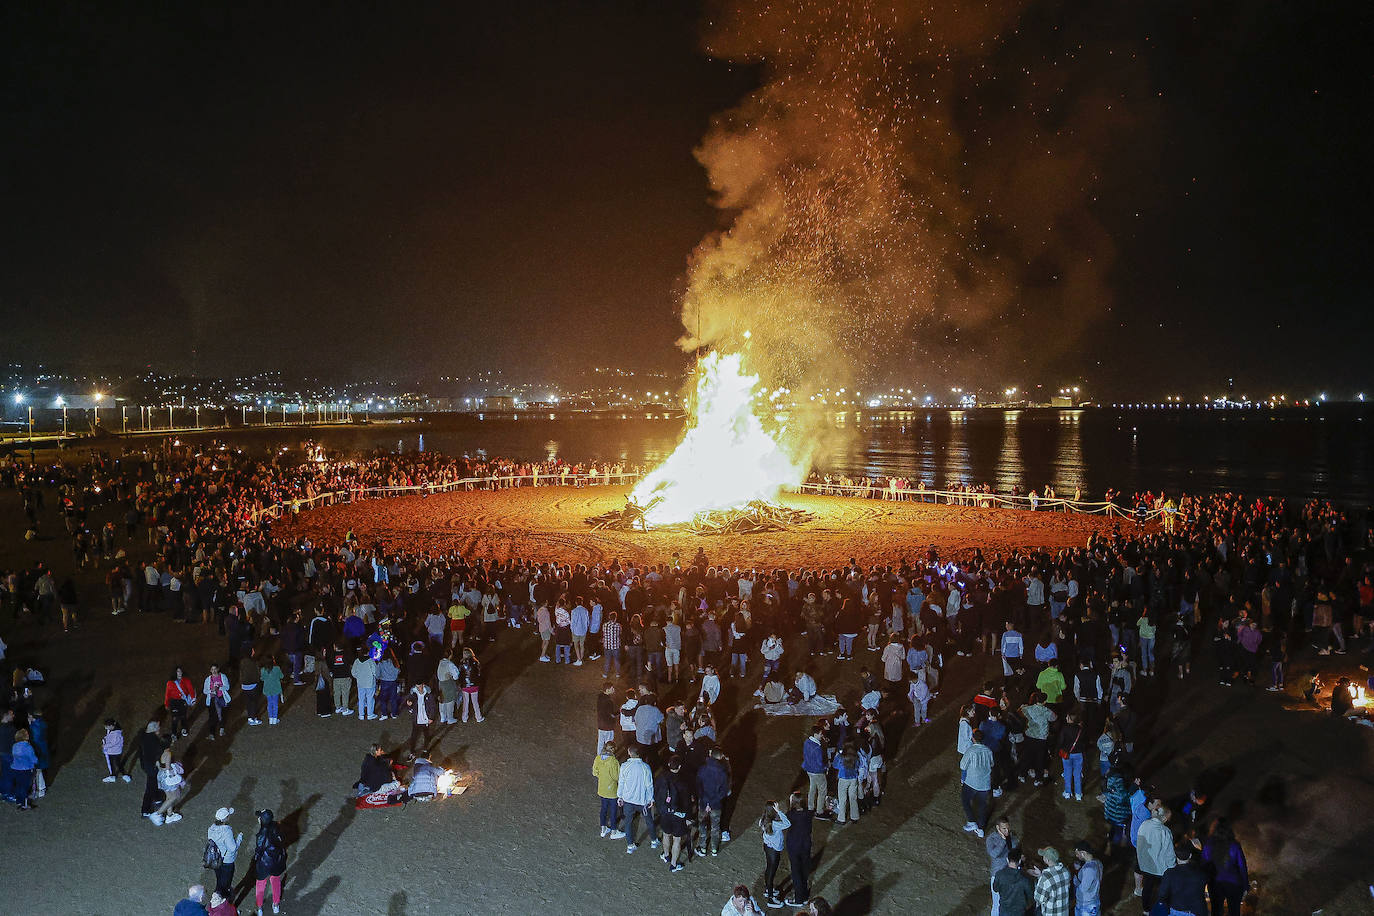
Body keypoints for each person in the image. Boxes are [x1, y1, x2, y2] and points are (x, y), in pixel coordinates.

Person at [1137, 799, 1177, 913]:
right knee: (1161, 890)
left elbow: (1140, 844)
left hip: (1145, 865)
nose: (1167, 820)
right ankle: (1161, 910)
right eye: (1167, 818)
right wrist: (1172, 867)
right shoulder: (1165, 832)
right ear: (1163, 817)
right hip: (1160, 869)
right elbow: (1169, 853)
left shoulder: (1144, 824)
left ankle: (1146, 909)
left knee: (1147, 887)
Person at [1201, 819, 1248, 916]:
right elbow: (1242, 866)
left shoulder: (1209, 844)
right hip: (1233, 883)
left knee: (1216, 911)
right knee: (1234, 911)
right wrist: (1245, 885)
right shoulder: (1235, 845)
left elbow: (1204, 864)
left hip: (1215, 882)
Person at [655, 755, 694, 872]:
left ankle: (666, 855)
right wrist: (688, 817)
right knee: (677, 840)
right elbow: (687, 802)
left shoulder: (661, 777)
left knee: (666, 835)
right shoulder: (683, 782)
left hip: (665, 813)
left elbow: (656, 792)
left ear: (668, 765)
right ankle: (673, 864)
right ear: (680, 766)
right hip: (678, 815)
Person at [617, 744, 655, 853]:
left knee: (628, 822)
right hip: (642, 801)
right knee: (649, 820)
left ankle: (630, 845)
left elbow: (621, 783)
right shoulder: (645, 767)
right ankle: (653, 841)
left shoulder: (624, 766)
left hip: (628, 800)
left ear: (629, 753)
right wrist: (650, 798)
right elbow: (649, 785)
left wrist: (620, 796)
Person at [252, 808, 288, 916]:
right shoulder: (277, 827)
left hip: (264, 863)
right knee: (276, 882)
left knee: (260, 884)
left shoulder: (262, 834)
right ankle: (276, 905)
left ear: (262, 820)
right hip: (276, 861)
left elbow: (258, 850)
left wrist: (256, 858)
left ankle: (259, 908)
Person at [1156, 843, 1209, 916]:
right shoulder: (1200, 873)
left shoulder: (1170, 874)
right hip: (1197, 911)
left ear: (1176, 856)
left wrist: (1161, 902)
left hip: (1177, 910)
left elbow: (1162, 894)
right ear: (1190, 855)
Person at [697, 747, 731, 857]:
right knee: (715, 827)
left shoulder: (703, 769)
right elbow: (724, 791)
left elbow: (699, 787)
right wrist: (712, 802)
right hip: (716, 805)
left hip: (703, 804)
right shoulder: (722, 772)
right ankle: (714, 849)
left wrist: (706, 803)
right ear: (720, 756)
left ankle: (702, 848)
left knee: (702, 825)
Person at [960, 729, 994, 837]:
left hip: (972, 782)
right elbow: (992, 764)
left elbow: (963, 765)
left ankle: (971, 821)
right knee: (982, 806)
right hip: (984, 783)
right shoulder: (988, 751)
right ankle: (981, 829)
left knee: (965, 801)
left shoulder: (970, 751)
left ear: (973, 738)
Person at [783, 791, 814, 907]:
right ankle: (804, 894)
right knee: (804, 869)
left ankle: (799, 899)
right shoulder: (808, 813)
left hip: (794, 845)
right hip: (805, 844)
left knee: (796, 871)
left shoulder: (790, 814)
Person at [759, 799, 791, 906]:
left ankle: (768, 889)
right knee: (772, 872)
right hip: (774, 850)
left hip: (767, 847)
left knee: (769, 869)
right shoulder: (775, 824)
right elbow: (787, 823)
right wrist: (780, 812)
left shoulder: (763, 819)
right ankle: (771, 899)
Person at [207, 806, 243, 899]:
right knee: (226, 884)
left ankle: (218, 894)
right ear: (226, 818)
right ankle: (222, 902)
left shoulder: (211, 828)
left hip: (216, 858)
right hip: (227, 860)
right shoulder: (227, 831)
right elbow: (232, 848)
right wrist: (239, 838)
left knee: (219, 879)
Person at [986, 818, 1017, 915]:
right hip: (998, 875)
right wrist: (1003, 841)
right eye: (1004, 829)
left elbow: (1015, 851)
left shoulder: (1012, 836)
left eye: (1008, 828)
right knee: (997, 903)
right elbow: (994, 854)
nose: (1007, 831)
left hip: (1011, 873)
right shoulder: (991, 839)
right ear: (998, 828)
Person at [992, 851, 1035, 916]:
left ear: (1007, 859)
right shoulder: (1025, 878)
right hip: (1019, 911)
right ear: (1020, 861)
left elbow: (995, 889)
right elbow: (1030, 896)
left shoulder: (999, 874)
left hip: (1004, 909)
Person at [1032, 846, 1072, 916]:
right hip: (1064, 912)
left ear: (1047, 860)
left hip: (1052, 913)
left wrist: (1039, 878)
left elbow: (1039, 898)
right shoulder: (1065, 871)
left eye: (1043, 856)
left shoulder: (1045, 877)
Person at [139, 720, 167, 816]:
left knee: (153, 783)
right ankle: (145, 810)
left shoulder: (144, 737)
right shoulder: (153, 739)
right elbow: (157, 752)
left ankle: (157, 798)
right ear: (154, 729)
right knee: (150, 787)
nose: (159, 729)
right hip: (152, 766)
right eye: (158, 727)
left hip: (146, 764)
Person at [151, 747, 186, 824]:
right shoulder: (168, 754)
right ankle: (158, 813)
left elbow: (158, 765)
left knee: (169, 797)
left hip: (161, 776)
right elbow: (168, 768)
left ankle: (169, 815)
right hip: (169, 777)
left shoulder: (158, 752)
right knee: (174, 797)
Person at [593, 741, 621, 837]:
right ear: (612, 749)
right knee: (613, 810)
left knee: (604, 808)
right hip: (612, 790)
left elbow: (594, 772)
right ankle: (613, 831)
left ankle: (603, 829)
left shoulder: (597, 758)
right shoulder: (613, 762)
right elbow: (616, 776)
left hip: (602, 788)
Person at [802, 725, 828, 815]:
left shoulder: (806, 742)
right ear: (815, 734)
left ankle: (810, 807)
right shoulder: (817, 748)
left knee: (812, 788)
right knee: (822, 790)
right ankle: (820, 811)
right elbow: (820, 763)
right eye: (820, 734)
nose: (822, 735)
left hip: (809, 770)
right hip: (818, 772)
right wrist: (826, 767)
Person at [165, 667, 197, 738]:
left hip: (182, 701)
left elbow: (191, 690)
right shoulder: (170, 683)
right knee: (175, 718)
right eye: (178, 672)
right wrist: (166, 704)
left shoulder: (186, 681)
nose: (179, 673)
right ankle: (174, 733)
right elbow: (167, 694)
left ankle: (184, 728)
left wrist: (193, 699)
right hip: (174, 702)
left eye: (180, 671)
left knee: (183, 716)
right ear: (175, 673)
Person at [405, 682, 438, 752]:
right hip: (416, 720)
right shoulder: (413, 694)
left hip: (425, 719)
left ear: (423, 685)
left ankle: (425, 749)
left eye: (419, 686)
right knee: (413, 737)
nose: (418, 689)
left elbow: (433, 706)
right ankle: (412, 751)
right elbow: (409, 706)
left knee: (426, 734)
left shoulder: (429, 695)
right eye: (417, 687)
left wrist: (431, 717)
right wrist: (409, 705)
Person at [1072, 841, 1102, 916]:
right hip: (1094, 900)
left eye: (1077, 853)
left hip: (1086, 905)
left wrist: (1076, 880)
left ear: (1083, 853)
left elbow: (1083, 888)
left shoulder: (1088, 869)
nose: (1076, 856)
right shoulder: (1098, 862)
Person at [203, 664, 231, 740]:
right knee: (212, 716)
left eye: (215, 669)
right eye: (212, 669)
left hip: (221, 698)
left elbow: (227, 687)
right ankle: (212, 734)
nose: (214, 671)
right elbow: (205, 691)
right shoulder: (208, 679)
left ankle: (221, 729)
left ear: (218, 669)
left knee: (222, 714)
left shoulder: (223, 676)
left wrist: (219, 688)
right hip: (212, 699)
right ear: (210, 670)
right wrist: (211, 690)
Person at [458, 646, 485, 723]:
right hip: (474, 685)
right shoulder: (476, 662)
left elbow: (460, 674)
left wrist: (460, 683)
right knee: (475, 702)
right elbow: (479, 673)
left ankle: (464, 718)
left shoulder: (461, 663)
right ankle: (478, 717)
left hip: (465, 685)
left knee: (465, 702)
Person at [101, 718, 131, 783]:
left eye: (107, 726)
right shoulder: (113, 731)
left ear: (111, 726)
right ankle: (115, 776)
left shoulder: (116, 734)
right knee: (116, 764)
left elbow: (113, 743)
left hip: (113, 751)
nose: (105, 728)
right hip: (115, 751)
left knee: (115, 764)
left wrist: (104, 745)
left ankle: (117, 776)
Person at [352, 649, 378, 720]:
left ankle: (361, 715)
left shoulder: (357, 661)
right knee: (370, 698)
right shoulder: (371, 661)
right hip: (370, 682)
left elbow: (353, 672)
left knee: (361, 698)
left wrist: (358, 677)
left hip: (360, 683)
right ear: (368, 652)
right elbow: (375, 671)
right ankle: (370, 714)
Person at [436, 650, 459, 724]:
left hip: (441, 683)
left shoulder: (440, 662)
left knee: (442, 700)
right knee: (450, 700)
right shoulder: (450, 664)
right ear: (450, 655)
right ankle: (450, 718)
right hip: (448, 683)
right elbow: (456, 675)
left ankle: (443, 717)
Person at [260, 655, 284, 726]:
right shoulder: (277, 668)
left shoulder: (263, 670)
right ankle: (275, 718)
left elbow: (262, 678)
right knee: (275, 704)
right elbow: (281, 676)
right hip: (276, 688)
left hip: (267, 689)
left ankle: (270, 718)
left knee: (269, 703)